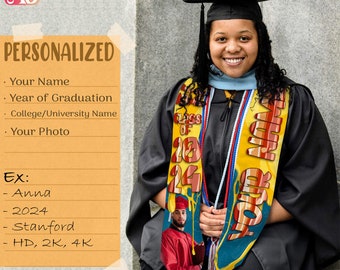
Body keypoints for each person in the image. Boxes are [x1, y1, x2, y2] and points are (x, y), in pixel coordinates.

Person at [126, 0, 340, 269]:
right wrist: (192, 214)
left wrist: (238, 220)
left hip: (265, 224)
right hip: (190, 217)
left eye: (244, 38)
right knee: (165, 248)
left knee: (255, 262)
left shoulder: (290, 101)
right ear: (208, 44)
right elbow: (151, 175)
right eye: (221, 38)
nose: (232, 47)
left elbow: (309, 188)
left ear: (260, 40)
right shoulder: (184, 98)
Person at [161, 196, 205, 269]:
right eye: (177, 213)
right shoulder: (166, 236)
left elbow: (196, 259)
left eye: (183, 212)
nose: (181, 216)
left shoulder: (188, 236)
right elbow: (171, 267)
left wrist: (201, 248)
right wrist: (198, 268)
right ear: (172, 215)